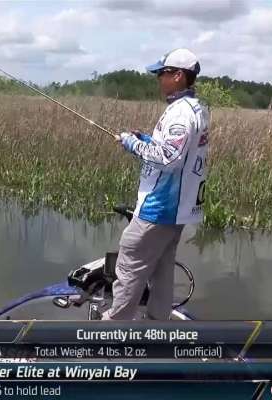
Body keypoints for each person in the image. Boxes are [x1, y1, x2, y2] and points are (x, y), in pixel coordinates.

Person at [103, 48, 210, 320]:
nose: (158, 78)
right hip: (178, 211)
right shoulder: (197, 108)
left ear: (178, 76)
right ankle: (157, 325)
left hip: (158, 208)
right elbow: (178, 151)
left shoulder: (180, 113)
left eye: (162, 73)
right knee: (162, 271)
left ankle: (113, 328)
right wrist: (148, 140)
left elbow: (169, 159)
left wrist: (132, 143)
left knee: (129, 265)